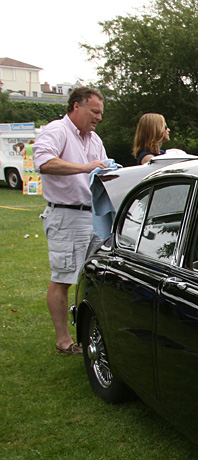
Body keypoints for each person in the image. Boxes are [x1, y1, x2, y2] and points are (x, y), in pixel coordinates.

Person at [34, 86, 109, 356]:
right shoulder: (57, 130)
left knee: (93, 275)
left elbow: (100, 170)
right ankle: (64, 341)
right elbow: (43, 163)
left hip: (92, 215)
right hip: (65, 215)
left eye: (101, 113)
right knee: (63, 277)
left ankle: (91, 330)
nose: (99, 117)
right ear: (76, 106)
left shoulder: (94, 139)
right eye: (95, 111)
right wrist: (85, 167)